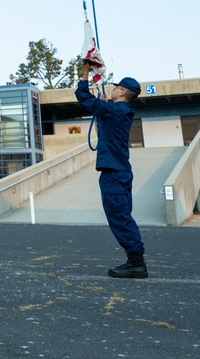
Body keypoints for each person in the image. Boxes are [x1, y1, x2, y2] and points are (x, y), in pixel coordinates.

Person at [75, 62, 147, 279]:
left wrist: (85, 73)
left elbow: (84, 97)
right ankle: (135, 259)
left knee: (119, 215)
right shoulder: (120, 111)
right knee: (122, 215)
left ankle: (136, 262)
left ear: (122, 92)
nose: (113, 89)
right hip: (119, 171)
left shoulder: (117, 110)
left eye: (116, 87)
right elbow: (104, 126)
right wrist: (102, 107)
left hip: (114, 173)